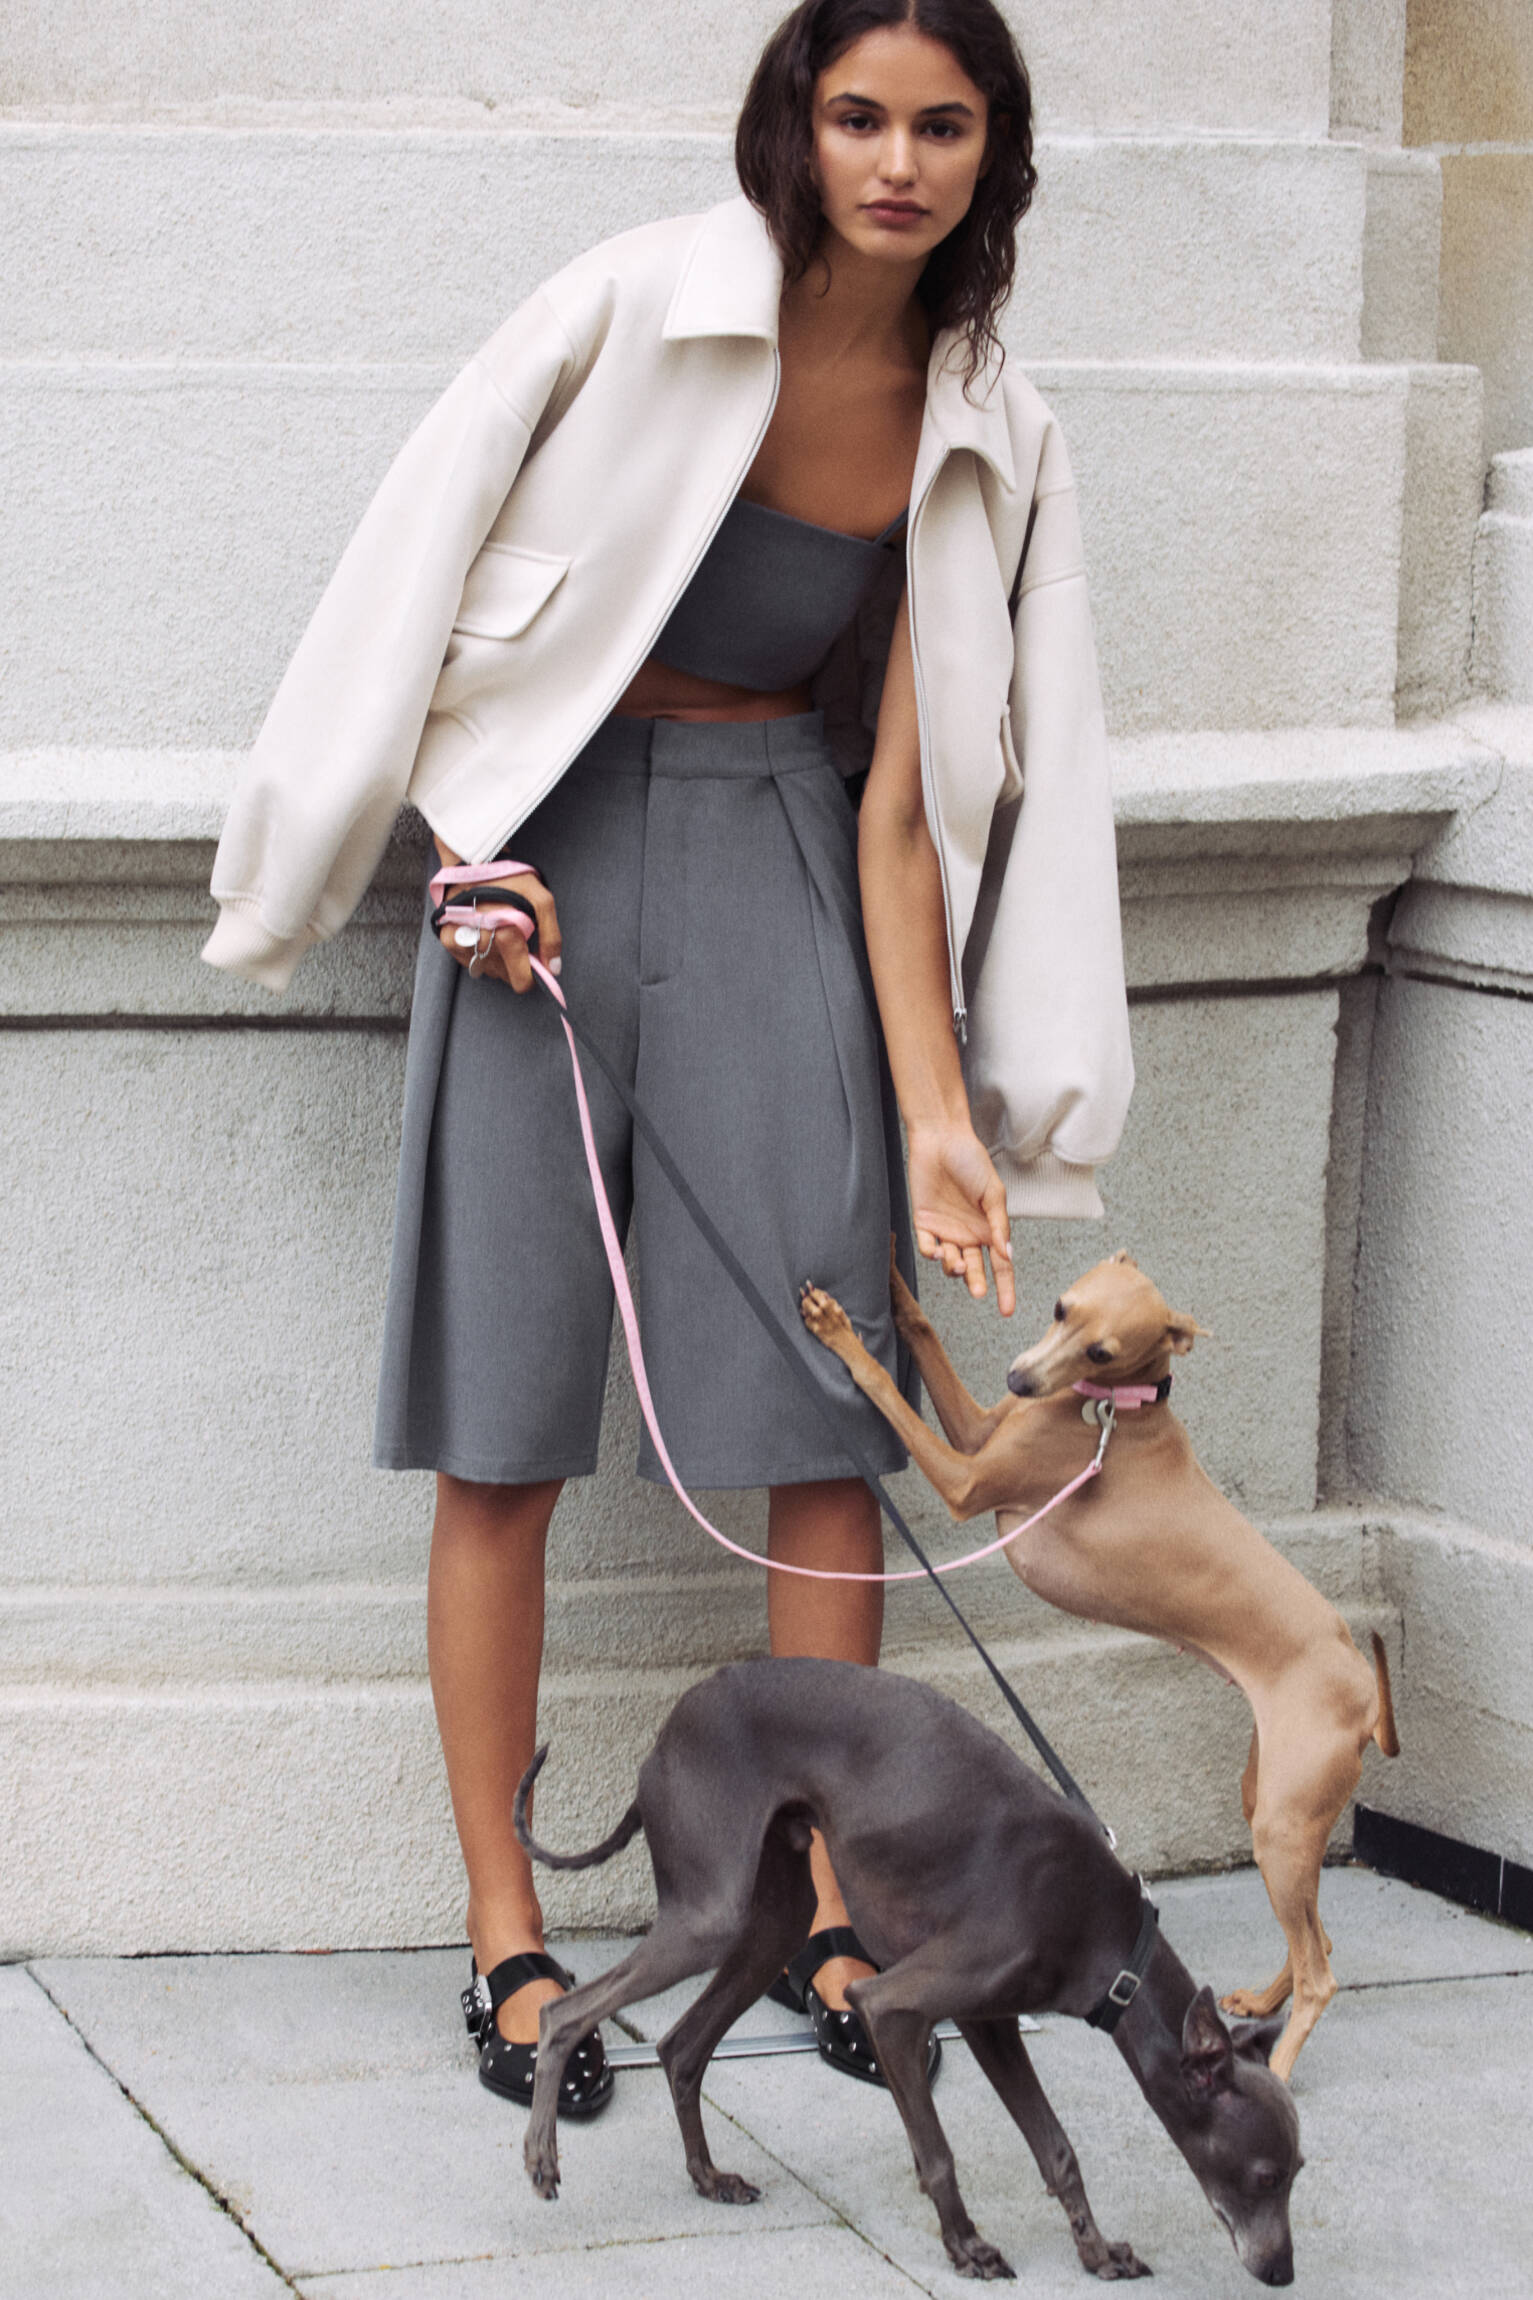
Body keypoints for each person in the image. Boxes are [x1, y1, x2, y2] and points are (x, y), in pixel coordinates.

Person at [202, 0, 1132, 2115]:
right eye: (858, 116)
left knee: (822, 1413)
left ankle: (823, 1908)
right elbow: (420, 588)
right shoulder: (628, 305)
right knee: (503, 1415)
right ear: (793, 124)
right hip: (537, 873)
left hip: (787, 857)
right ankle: (506, 1929)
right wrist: (458, 848)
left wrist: (940, 1114)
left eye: (942, 126)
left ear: (990, 157)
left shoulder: (983, 417)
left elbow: (911, 807)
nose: (894, 162)